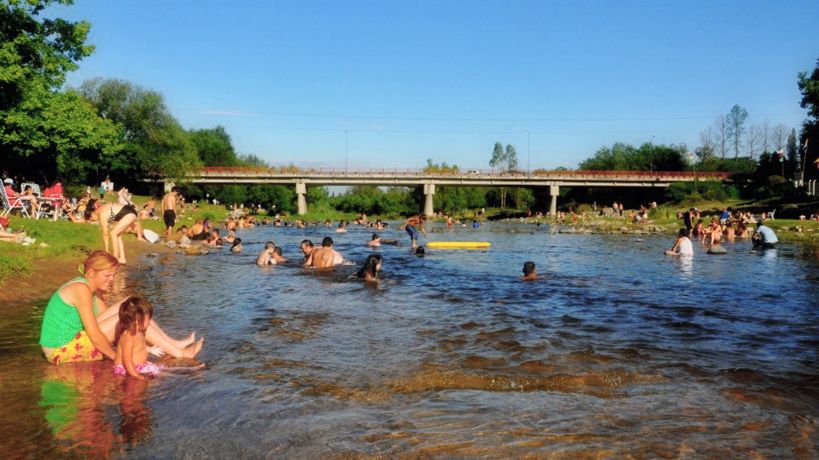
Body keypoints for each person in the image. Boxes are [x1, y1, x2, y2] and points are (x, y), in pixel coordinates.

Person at [40, 251, 202, 365]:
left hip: (74, 339)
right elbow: (95, 333)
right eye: (107, 275)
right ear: (90, 273)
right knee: (132, 313)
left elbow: (112, 326)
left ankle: (172, 344)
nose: (111, 280)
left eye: (113, 275)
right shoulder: (81, 290)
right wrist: (116, 356)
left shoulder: (89, 288)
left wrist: (143, 346)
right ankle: (179, 353)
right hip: (60, 349)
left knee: (131, 303)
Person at [114, 297, 164, 379]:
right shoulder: (128, 338)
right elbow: (127, 360)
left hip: (138, 366)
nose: (150, 321)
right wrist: (136, 375)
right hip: (128, 369)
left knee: (162, 369)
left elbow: (138, 348)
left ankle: (186, 372)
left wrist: (150, 349)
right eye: (149, 318)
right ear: (138, 320)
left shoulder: (139, 333)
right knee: (161, 376)